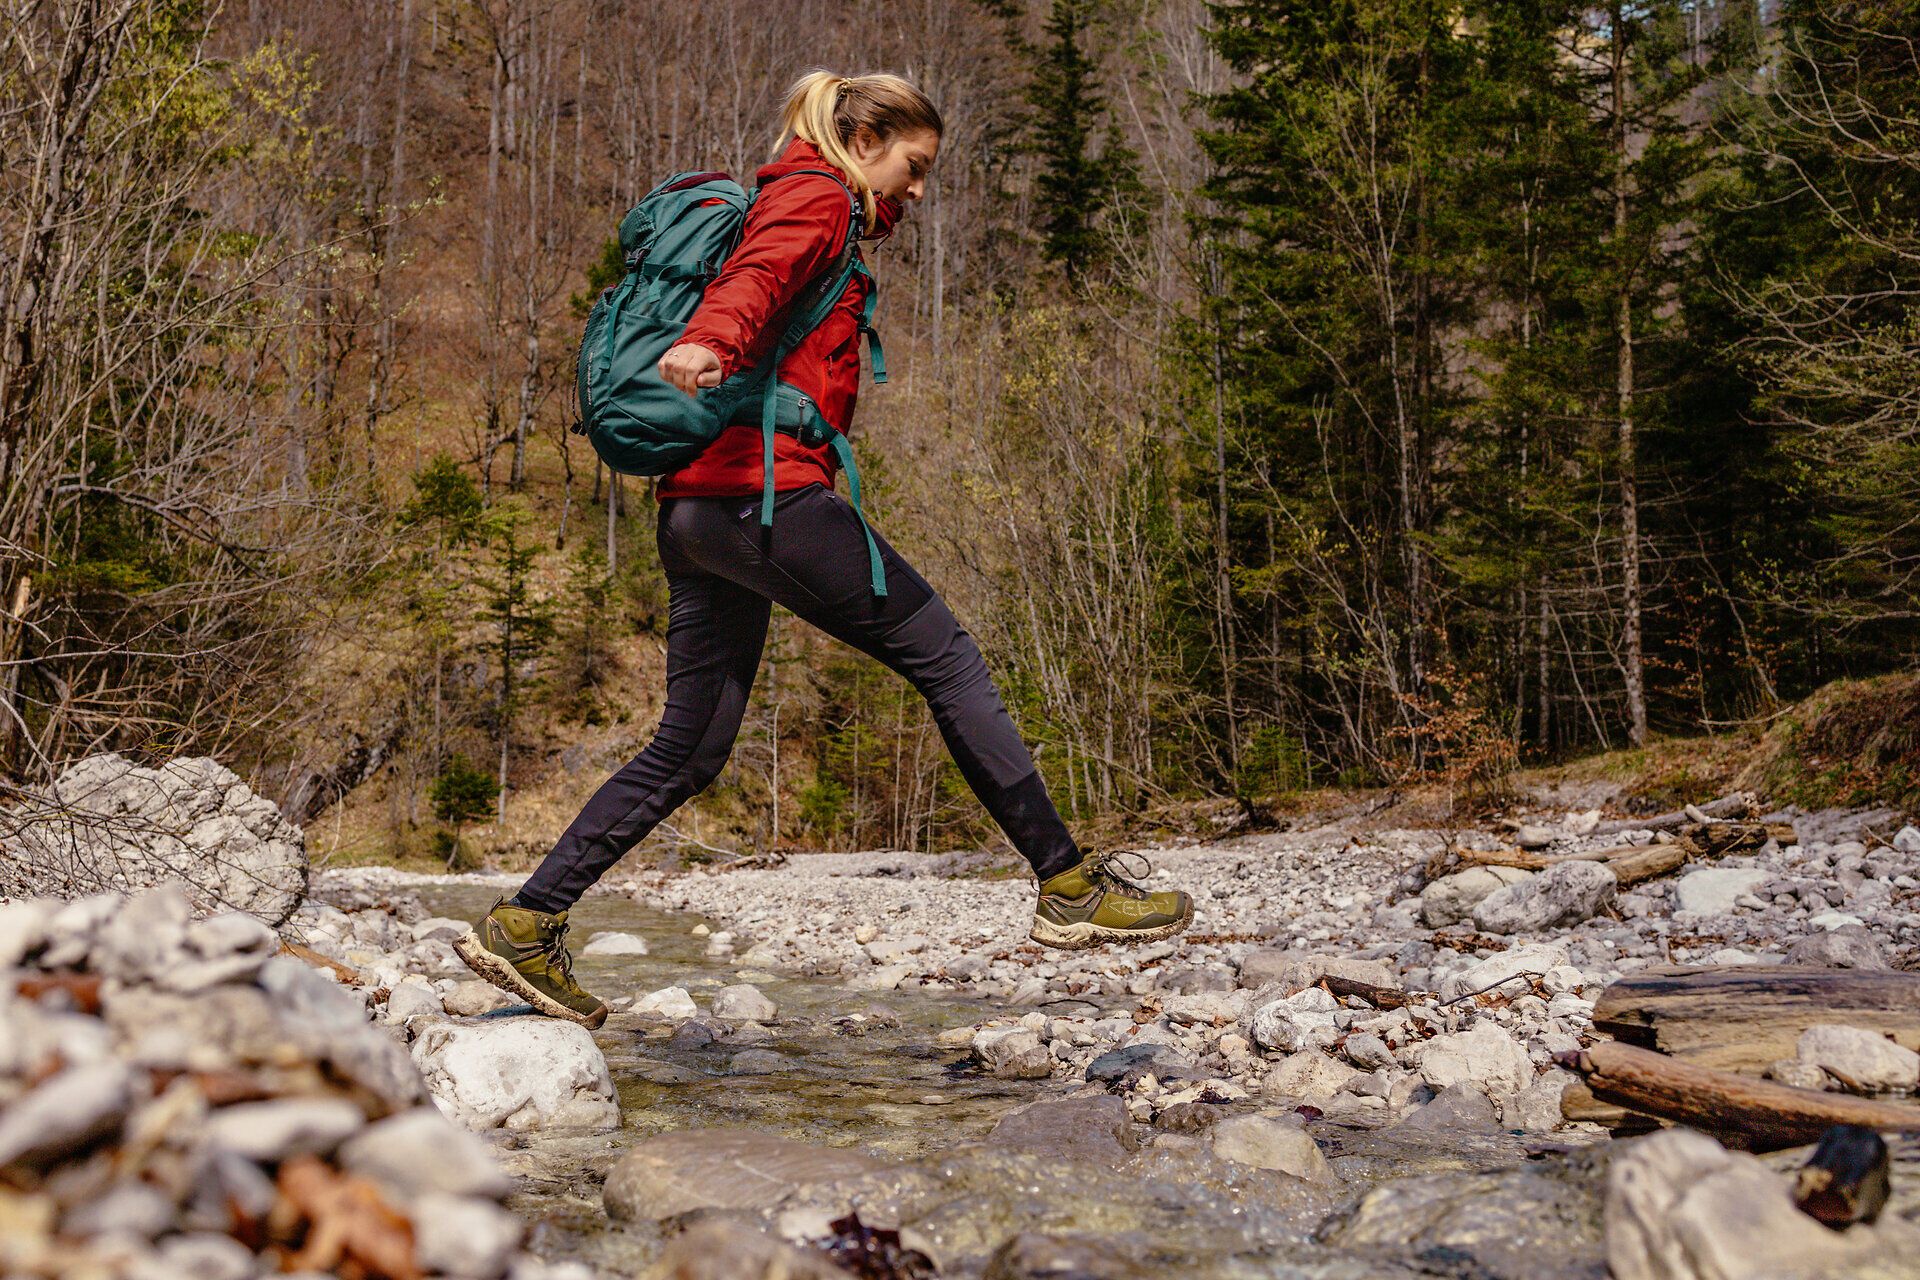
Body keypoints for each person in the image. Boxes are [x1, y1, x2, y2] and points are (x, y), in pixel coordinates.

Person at [454, 69, 1194, 1028]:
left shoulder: (813, 200)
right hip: (769, 499)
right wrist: (711, 340)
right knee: (948, 659)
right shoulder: (814, 196)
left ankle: (527, 923)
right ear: (864, 137)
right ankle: (1067, 884)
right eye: (913, 166)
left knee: (690, 749)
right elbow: (755, 278)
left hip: (701, 510)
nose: (919, 191)